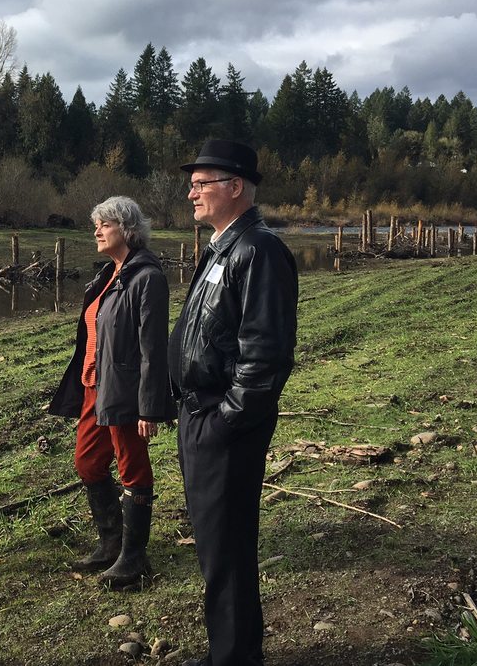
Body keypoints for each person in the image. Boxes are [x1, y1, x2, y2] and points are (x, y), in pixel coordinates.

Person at [168, 140, 298, 666]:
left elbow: (265, 354)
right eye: (193, 184)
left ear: (236, 186)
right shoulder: (224, 246)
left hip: (222, 424)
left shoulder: (259, 250)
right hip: (199, 415)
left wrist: (227, 421)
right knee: (214, 546)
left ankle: (235, 658)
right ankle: (230, 651)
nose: (191, 192)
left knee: (227, 550)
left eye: (202, 184)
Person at [49, 196, 171, 587]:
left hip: (124, 390)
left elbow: (153, 347)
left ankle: (134, 560)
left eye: (105, 224)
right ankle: (111, 543)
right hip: (91, 387)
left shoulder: (146, 277)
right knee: (87, 463)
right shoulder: (108, 275)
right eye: (96, 224)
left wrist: (149, 407)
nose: (97, 231)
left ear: (128, 230)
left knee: (132, 466)